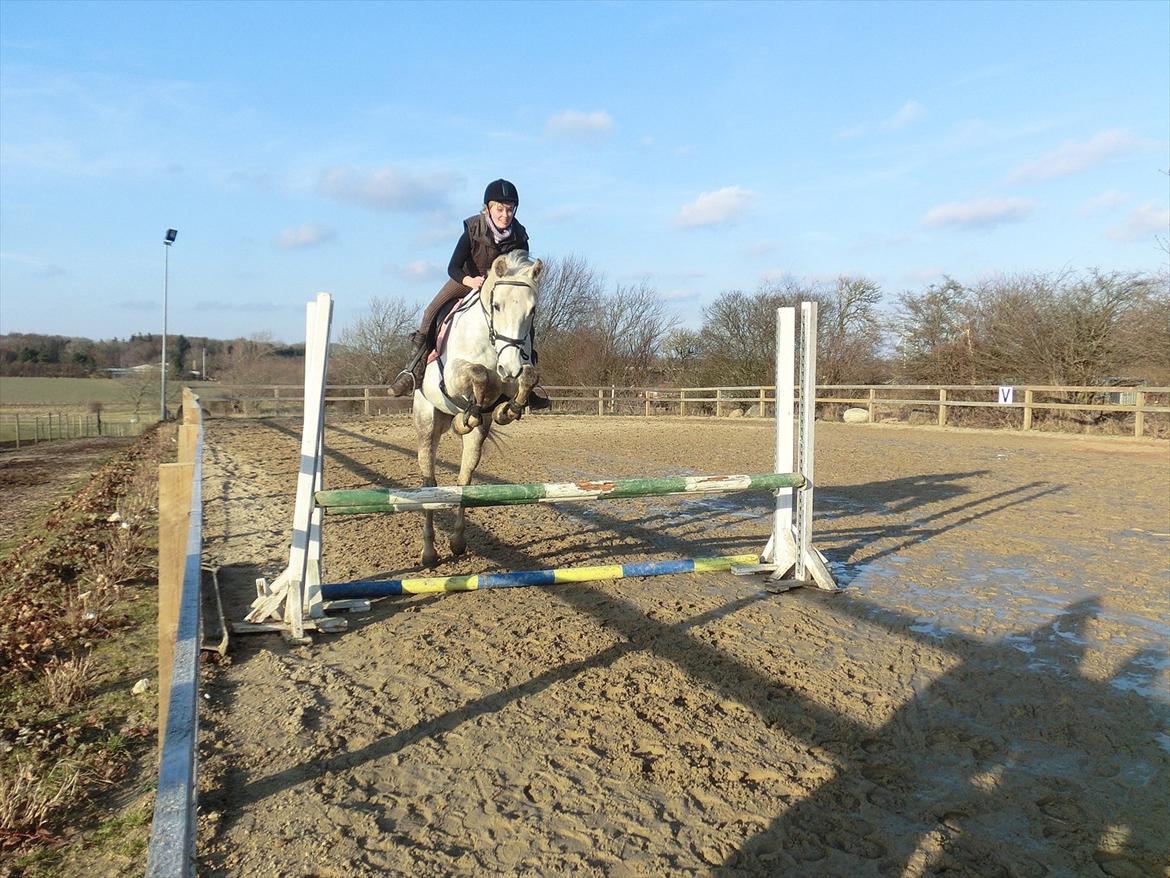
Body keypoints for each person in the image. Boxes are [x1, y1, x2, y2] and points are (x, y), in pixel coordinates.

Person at [389, 179, 549, 408]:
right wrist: (470, 280)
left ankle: (527, 376)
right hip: (468, 280)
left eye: (510, 209)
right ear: (489, 208)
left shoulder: (520, 235)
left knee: (524, 319)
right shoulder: (473, 229)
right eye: (500, 209)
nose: (505, 214)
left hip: (501, 290)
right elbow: (452, 267)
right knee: (430, 311)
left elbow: (521, 270)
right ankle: (413, 369)